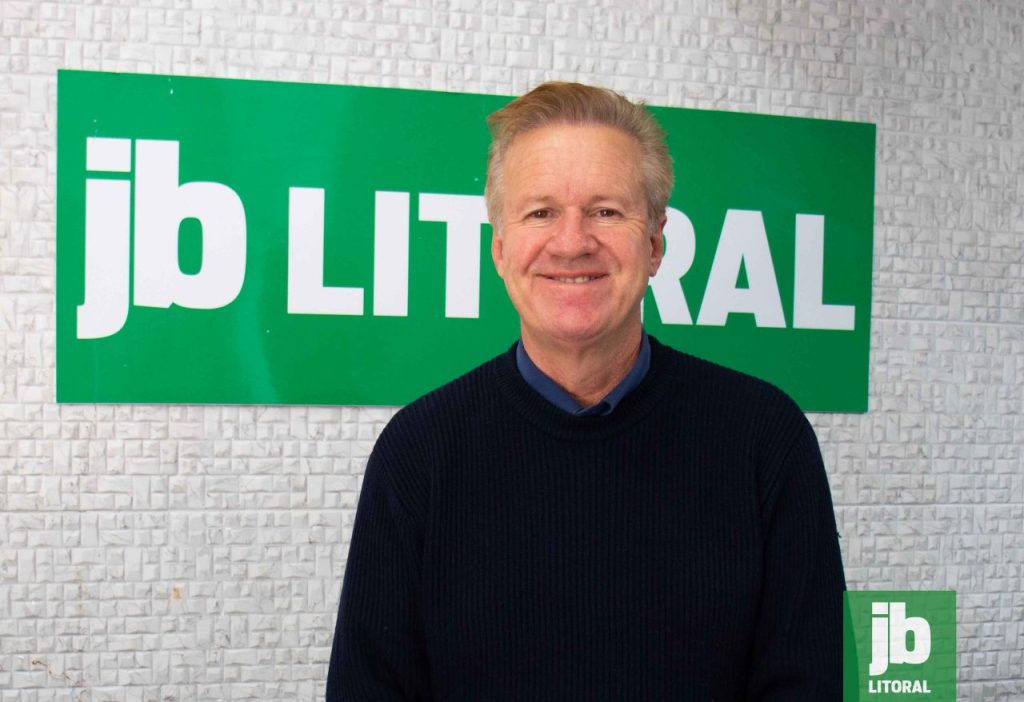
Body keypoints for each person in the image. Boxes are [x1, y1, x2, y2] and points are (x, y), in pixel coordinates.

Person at [326, 82, 845, 701]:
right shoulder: (419, 453)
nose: (572, 242)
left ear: (654, 245)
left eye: (605, 211)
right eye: (540, 212)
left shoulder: (765, 439)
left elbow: (817, 684)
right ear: (499, 247)